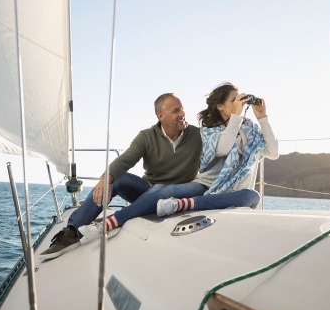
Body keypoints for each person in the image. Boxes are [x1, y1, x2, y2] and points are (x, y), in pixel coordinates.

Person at [77, 82, 278, 240]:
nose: (239, 104)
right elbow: (223, 148)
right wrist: (235, 118)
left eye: (240, 100)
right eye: (234, 100)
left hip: (232, 193)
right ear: (219, 105)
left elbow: (272, 152)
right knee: (160, 191)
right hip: (206, 187)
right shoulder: (209, 129)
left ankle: (181, 205)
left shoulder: (249, 128)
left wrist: (262, 117)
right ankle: (105, 224)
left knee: (252, 196)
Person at [39, 93, 202, 259]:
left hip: (182, 193)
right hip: (148, 192)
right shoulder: (147, 136)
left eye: (182, 109)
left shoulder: (198, 135)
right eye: (176, 111)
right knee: (117, 179)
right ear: (160, 116)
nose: (182, 114)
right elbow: (125, 161)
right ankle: (71, 233)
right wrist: (105, 180)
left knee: (159, 189)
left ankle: (113, 220)